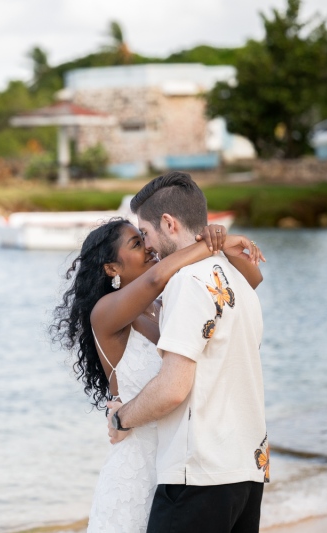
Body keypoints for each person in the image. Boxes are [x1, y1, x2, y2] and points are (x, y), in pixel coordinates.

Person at [51, 211, 264, 533]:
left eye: (145, 238)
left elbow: (251, 283)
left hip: (183, 460)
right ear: (112, 268)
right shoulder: (106, 312)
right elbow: (154, 278)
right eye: (137, 243)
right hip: (138, 468)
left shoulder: (168, 302)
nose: (149, 248)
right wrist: (212, 242)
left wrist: (224, 248)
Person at [108, 171, 269, 533]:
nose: (147, 246)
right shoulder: (240, 283)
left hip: (199, 478)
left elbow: (173, 388)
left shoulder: (187, 281)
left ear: (168, 223)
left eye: (145, 233)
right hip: (248, 472)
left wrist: (121, 419)